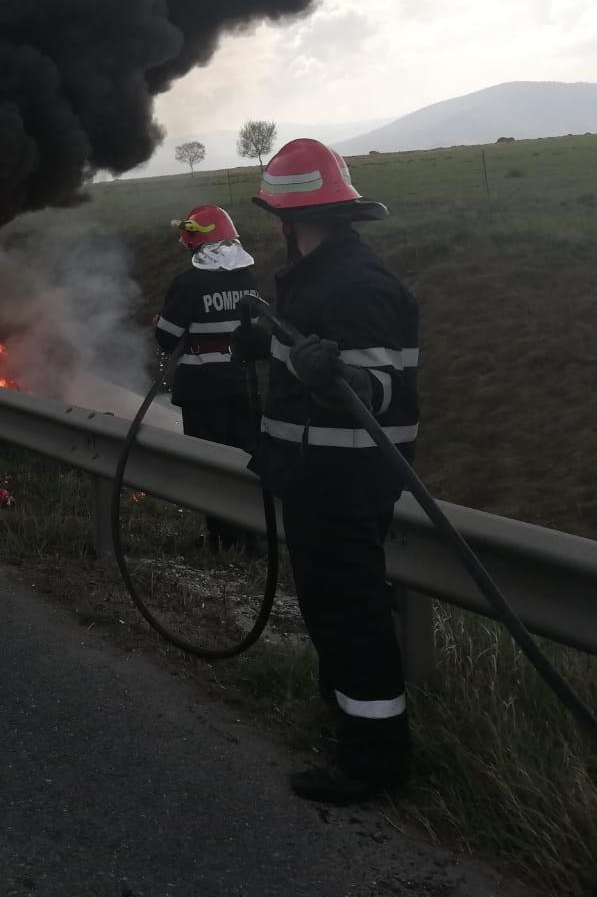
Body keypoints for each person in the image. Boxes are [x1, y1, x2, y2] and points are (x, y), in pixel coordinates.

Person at [237, 139, 420, 805]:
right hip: (315, 475)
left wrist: (336, 376)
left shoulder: (353, 283)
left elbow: (380, 389)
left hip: (342, 481)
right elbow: (306, 358)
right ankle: (345, 723)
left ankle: (373, 762)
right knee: (333, 612)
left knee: (350, 617)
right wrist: (267, 343)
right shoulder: (319, 276)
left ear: (289, 218)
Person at [152, 204, 260, 551]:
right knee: (246, 460)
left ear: (196, 244)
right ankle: (254, 537)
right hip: (244, 385)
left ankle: (222, 539)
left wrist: (159, 323)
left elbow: (168, 338)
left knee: (212, 464)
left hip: (202, 389)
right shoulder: (248, 278)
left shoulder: (189, 283)